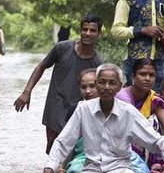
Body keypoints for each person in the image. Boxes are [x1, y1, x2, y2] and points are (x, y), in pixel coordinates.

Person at [31, 64, 164, 173]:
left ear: (119, 87)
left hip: (121, 172)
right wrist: (49, 170)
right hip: (91, 171)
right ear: (97, 84)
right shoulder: (83, 109)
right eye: (102, 82)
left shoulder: (128, 112)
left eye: (112, 83)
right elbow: (63, 142)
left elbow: (156, 141)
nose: (106, 87)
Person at [14, 14, 104, 154]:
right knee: (54, 155)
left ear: (99, 33)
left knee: (73, 156)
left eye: (92, 30)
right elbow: (41, 67)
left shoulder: (98, 64)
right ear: (80, 30)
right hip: (55, 112)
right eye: (84, 29)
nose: (87, 33)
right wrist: (27, 92)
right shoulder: (62, 48)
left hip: (77, 115)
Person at [115, 58, 164, 173]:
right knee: (149, 122)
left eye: (151, 75)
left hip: (149, 143)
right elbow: (134, 124)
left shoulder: (154, 99)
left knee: (155, 120)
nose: (147, 79)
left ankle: (156, 163)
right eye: (142, 74)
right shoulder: (122, 96)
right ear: (133, 76)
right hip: (124, 144)